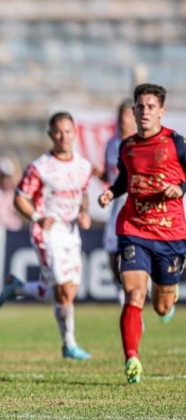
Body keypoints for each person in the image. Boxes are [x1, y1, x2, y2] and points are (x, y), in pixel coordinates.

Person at [99, 83, 186, 384]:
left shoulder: (177, 143)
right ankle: (131, 357)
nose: (145, 111)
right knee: (134, 294)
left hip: (170, 234)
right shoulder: (126, 146)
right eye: (140, 106)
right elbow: (126, 178)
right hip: (133, 228)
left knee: (162, 305)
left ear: (161, 111)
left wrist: (181, 188)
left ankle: (168, 293)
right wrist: (112, 193)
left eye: (151, 106)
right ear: (133, 110)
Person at [0, 112, 93, 361]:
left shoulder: (83, 166)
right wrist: (37, 217)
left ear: (75, 133)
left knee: (67, 291)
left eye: (68, 131)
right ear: (51, 135)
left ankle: (18, 287)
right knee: (62, 291)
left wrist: (83, 213)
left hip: (71, 233)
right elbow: (20, 198)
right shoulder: (40, 167)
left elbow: (83, 194)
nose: (63, 136)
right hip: (47, 233)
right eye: (58, 132)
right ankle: (69, 344)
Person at [102, 99, 137, 305]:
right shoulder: (111, 144)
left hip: (136, 204)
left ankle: (160, 286)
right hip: (117, 205)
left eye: (127, 115)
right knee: (111, 252)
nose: (123, 120)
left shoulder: (140, 141)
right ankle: (124, 298)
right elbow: (110, 176)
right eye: (121, 115)